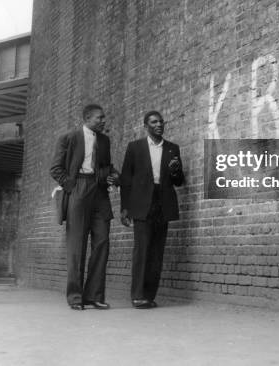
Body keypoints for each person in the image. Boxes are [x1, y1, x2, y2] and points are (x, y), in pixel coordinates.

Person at [50, 104, 118, 310]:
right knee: (76, 245)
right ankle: (76, 297)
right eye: (100, 118)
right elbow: (55, 168)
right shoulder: (69, 138)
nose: (104, 121)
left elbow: (106, 165)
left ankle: (94, 296)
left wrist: (113, 176)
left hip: (99, 193)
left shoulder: (105, 140)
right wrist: (71, 186)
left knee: (102, 241)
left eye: (104, 117)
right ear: (88, 118)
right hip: (78, 188)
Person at [120, 111, 185, 308]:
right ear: (145, 126)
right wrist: (125, 208)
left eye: (161, 122)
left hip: (162, 202)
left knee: (157, 252)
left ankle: (149, 295)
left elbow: (179, 181)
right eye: (154, 122)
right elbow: (126, 180)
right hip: (141, 204)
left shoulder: (173, 148)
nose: (159, 125)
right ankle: (138, 295)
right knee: (142, 250)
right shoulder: (135, 148)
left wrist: (176, 170)